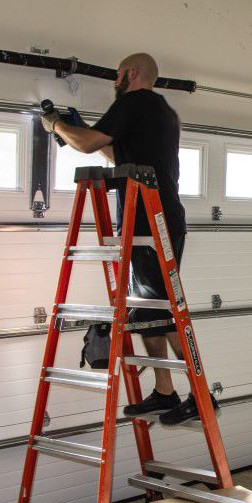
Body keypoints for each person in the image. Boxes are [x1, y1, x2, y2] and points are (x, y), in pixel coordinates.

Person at [42, 52, 208, 425]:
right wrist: (81, 127)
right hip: (150, 216)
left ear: (130, 74)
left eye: (118, 75)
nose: (115, 81)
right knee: (151, 308)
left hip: (152, 217)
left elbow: (85, 146)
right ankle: (165, 390)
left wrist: (55, 126)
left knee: (162, 308)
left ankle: (201, 396)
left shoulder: (134, 101)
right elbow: (114, 151)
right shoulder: (158, 109)